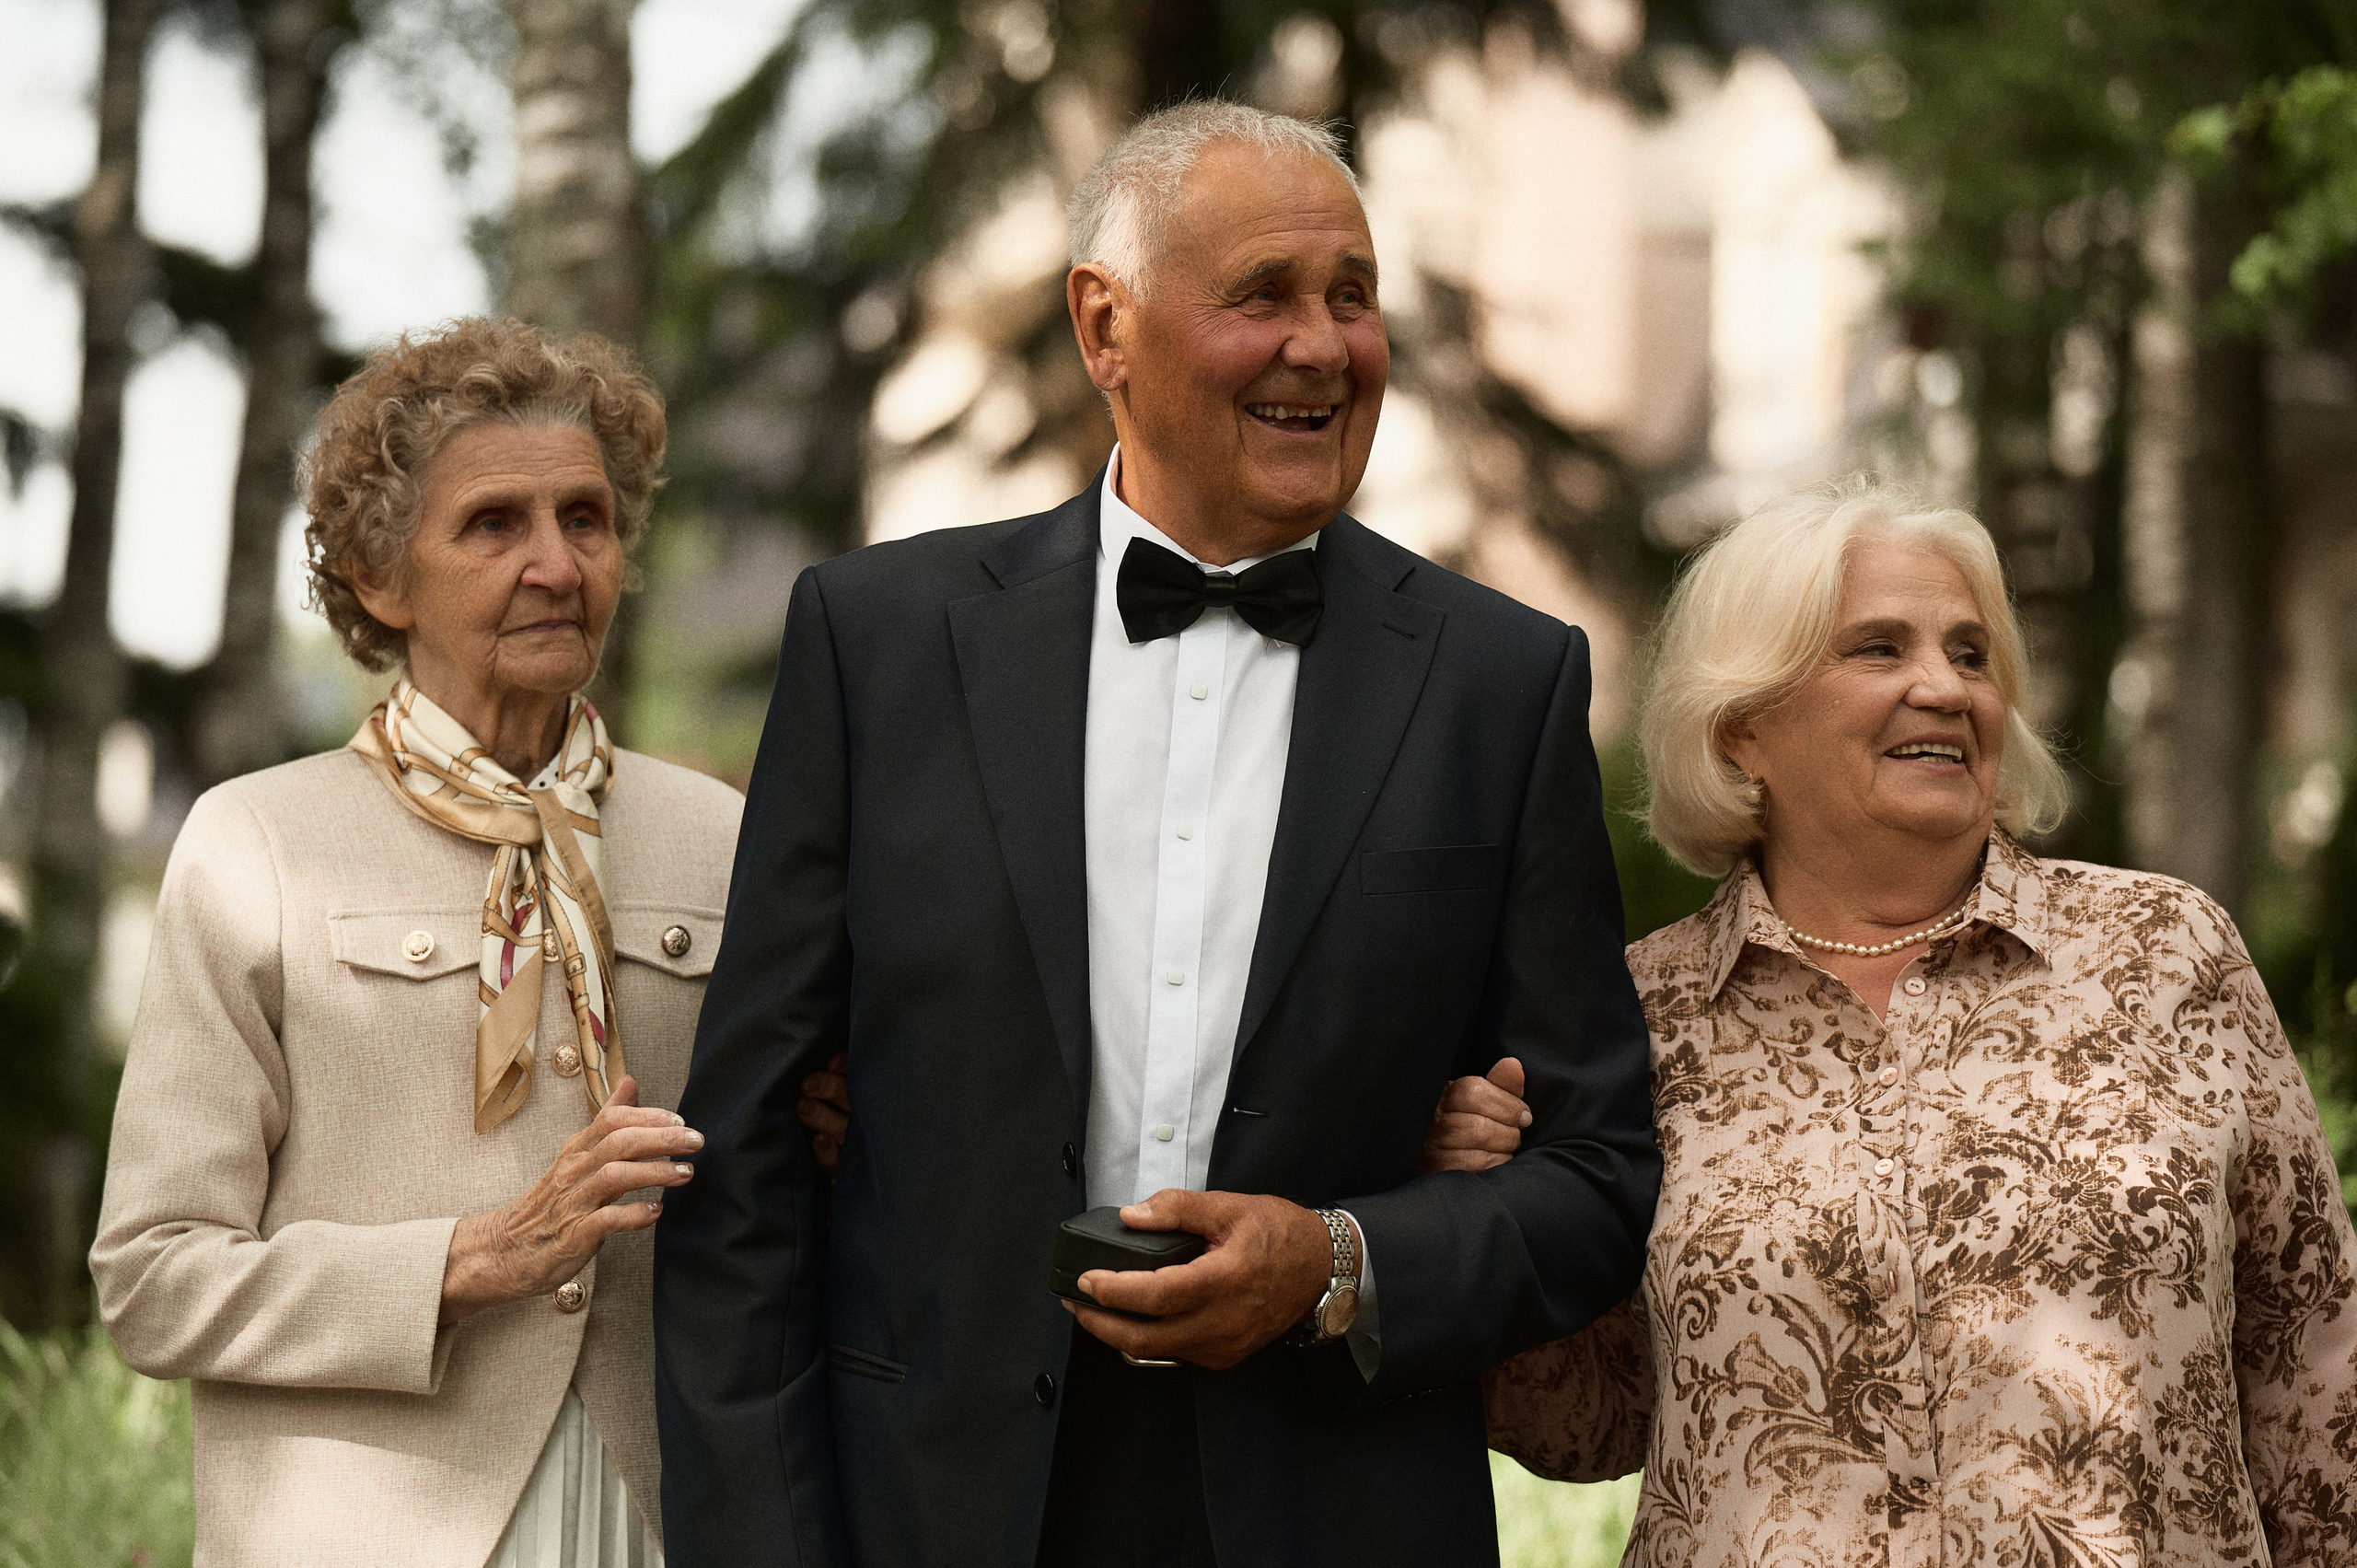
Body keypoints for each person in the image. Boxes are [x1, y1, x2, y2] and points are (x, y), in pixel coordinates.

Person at [652, 100, 1659, 1567]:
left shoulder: (1504, 683)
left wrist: (1340, 1260)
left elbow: (1592, 1173)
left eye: (1353, 296)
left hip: (1336, 1507)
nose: (1323, 345)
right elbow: (743, 1163)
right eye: (1262, 296)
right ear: (1104, 325)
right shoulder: (877, 645)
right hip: (932, 1507)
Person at [1424, 481, 2357, 1565]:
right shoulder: (1637, 1017)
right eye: (1878, 648)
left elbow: (2313, 1358)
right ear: (1743, 730)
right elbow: (1586, 1418)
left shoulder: (2164, 950)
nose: (1943, 687)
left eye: (1970, 654)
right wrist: (1473, 1201)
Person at [90, 319, 742, 1568]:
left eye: (587, 519)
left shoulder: (724, 836)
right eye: (495, 524)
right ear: (383, 579)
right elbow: (154, 1276)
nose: (557, 562)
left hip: (669, 1511)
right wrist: (474, 1255)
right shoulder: (252, 844)